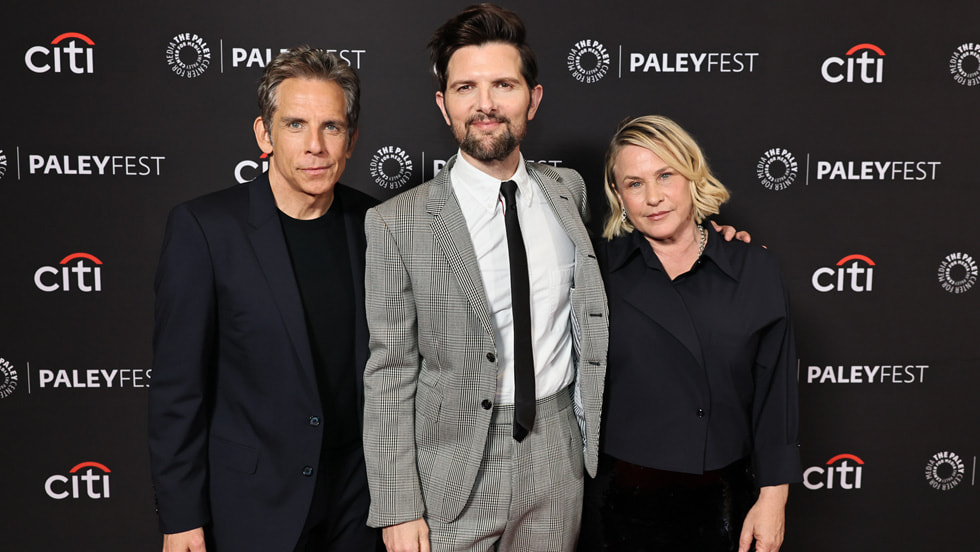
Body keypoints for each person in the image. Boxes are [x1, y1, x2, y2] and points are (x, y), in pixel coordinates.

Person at [362, 5, 744, 552]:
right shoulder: (397, 222)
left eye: (504, 85)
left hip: (557, 456)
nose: (486, 104)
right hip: (449, 470)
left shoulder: (567, 191)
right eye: (466, 87)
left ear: (532, 99)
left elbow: (648, 242)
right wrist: (398, 507)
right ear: (443, 105)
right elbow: (389, 372)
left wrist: (716, 240)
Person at [148, 47, 381, 552]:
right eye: (296, 124)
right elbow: (177, 389)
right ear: (264, 134)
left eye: (332, 127)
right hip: (252, 504)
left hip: (360, 505)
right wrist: (182, 517)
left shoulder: (379, 225)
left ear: (352, 138)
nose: (315, 146)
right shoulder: (205, 230)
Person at [579, 115, 801, 552]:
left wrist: (773, 498)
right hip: (617, 503)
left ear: (692, 175)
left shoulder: (752, 268)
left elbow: (777, 396)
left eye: (665, 176)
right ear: (618, 196)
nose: (654, 197)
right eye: (635, 183)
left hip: (724, 502)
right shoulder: (595, 268)